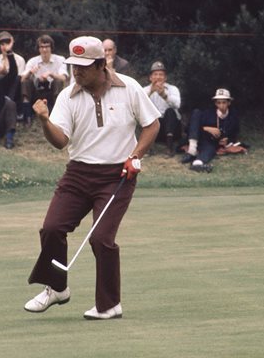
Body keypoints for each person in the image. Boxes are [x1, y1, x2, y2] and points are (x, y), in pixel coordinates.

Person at [24, 36, 161, 320]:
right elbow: (61, 141)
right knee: (51, 228)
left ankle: (109, 305)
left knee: (101, 238)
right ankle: (57, 287)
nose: (77, 72)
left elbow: (152, 125)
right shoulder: (68, 96)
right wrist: (45, 121)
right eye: (74, 66)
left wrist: (135, 155)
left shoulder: (129, 87)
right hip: (78, 174)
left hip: (117, 175)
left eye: (84, 67)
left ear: (101, 65)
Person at [181, 88, 240, 172]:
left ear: (229, 103)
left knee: (210, 149)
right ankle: (191, 151)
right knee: (196, 112)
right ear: (215, 103)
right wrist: (206, 128)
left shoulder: (233, 116)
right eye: (218, 103)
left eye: (224, 102)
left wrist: (227, 140)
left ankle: (197, 164)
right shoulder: (208, 113)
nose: (221, 106)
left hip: (211, 142)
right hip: (199, 137)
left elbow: (235, 133)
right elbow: (189, 128)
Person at [21, 34, 68, 124]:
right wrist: (30, 72)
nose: (44, 50)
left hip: (52, 92)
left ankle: (57, 114)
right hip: (36, 92)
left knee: (58, 81)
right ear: (38, 49)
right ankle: (27, 116)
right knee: (26, 81)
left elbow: (63, 78)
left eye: (47, 47)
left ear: (51, 48)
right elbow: (22, 79)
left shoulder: (60, 59)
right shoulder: (33, 61)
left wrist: (51, 74)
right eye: (42, 47)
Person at [143, 61, 181, 156]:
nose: (158, 77)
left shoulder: (173, 89)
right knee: (148, 113)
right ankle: (148, 147)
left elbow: (178, 105)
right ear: (150, 77)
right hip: (155, 129)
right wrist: (150, 92)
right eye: (155, 74)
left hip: (172, 128)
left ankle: (169, 148)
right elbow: (139, 106)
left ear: (165, 78)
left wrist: (165, 96)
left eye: (161, 74)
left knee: (170, 111)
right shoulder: (144, 90)